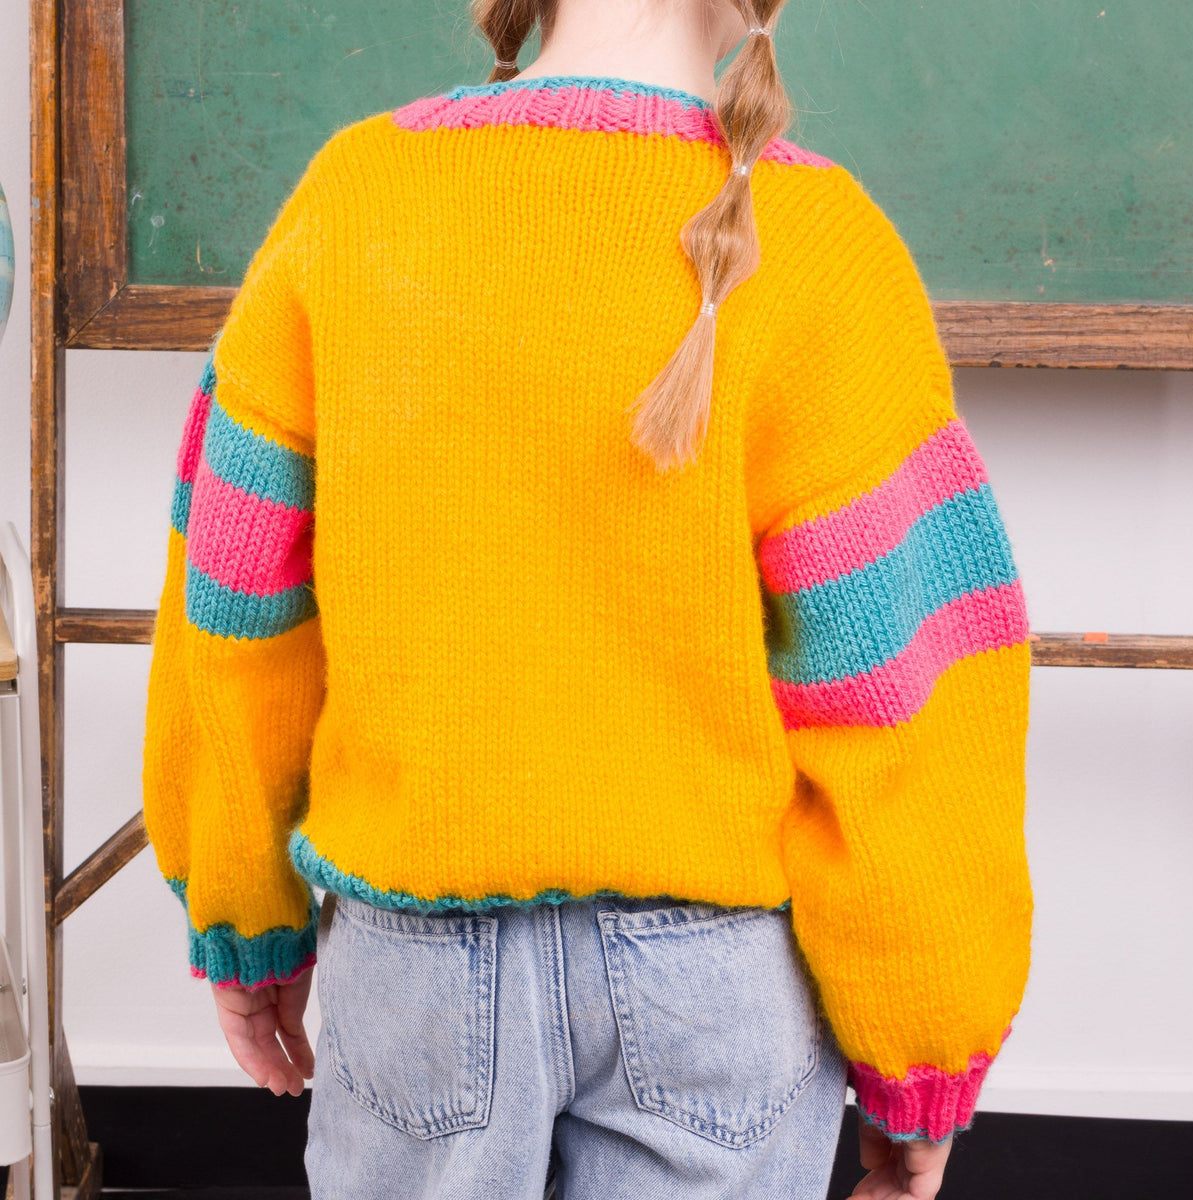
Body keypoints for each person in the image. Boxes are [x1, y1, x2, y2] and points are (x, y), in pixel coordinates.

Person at [140, 2, 1035, 1198]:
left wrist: (243, 912)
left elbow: (235, 595)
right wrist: (919, 1049)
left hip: (416, 969)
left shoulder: (354, 197)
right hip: (716, 986)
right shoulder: (825, 241)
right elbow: (904, 684)